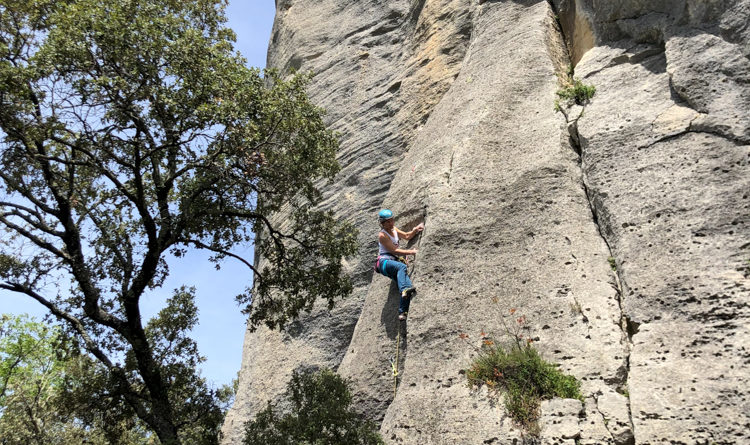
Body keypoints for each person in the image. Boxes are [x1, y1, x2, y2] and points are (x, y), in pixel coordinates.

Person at [375, 209, 424, 320]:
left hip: (392, 263)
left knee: (407, 282)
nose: (391, 223)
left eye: (391, 220)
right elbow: (394, 251)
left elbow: (406, 236)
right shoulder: (382, 235)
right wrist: (412, 252)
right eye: (387, 221)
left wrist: (415, 230)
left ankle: (402, 313)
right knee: (402, 268)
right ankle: (404, 290)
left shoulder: (394, 229)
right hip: (384, 262)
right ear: (382, 223)